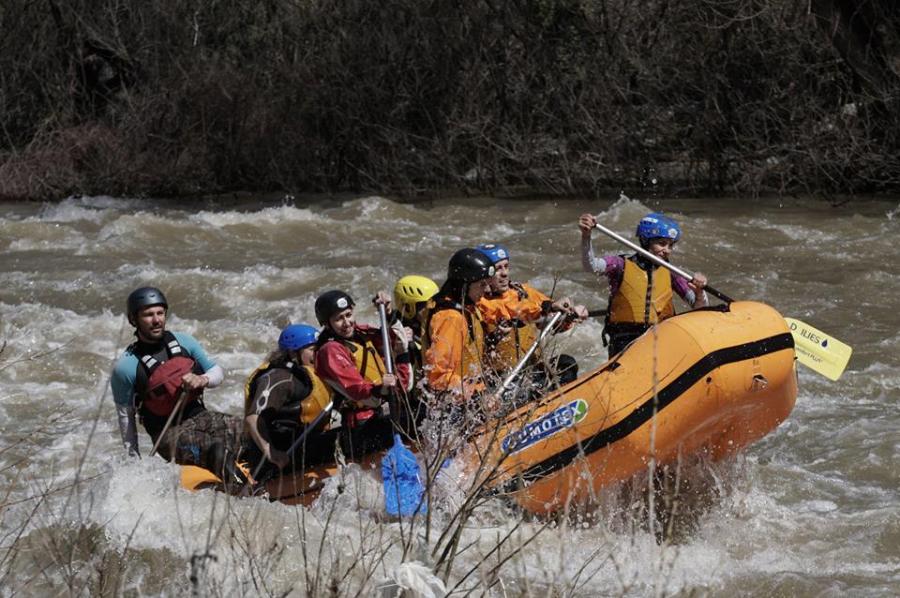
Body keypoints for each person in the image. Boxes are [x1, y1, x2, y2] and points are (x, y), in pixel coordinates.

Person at [110, 287, 244, 485]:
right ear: (134, 320)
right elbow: (125, 418)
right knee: (215, 450)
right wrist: (133, 463)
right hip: (168, 435)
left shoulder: (184, 342)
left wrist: (202, 379)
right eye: (148, 315)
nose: (156, 320)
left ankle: (273, 477)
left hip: (201, 417)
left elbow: (217, 372)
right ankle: (246, 494)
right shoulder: (125, 367)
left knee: (253, 431)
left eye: (160, 313)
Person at [579, 212, 708, 355]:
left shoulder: (672, 273)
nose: (667, 250)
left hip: (661, 338)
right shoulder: (620, 264)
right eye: (662, 243)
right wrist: (586, 236)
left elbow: (699, 309)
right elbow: (591, 266)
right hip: (624, 339)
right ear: (646, 241)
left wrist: (700, 292)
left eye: (671, 245)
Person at [314, 290, 411, 461]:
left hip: (387, 412)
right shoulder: (330, 350)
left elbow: (398, 342)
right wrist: (381, 388)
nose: (347, 323)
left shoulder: (361, 333)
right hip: (362, 426)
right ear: (327, 324)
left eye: (348, 315)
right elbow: (356, 389)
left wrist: (388, 312)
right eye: (339, 319)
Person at [475, 243, 587, 389]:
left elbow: (550, 323)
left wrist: (567, 317)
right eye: (497, 269)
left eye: (506, 266)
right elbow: (514, 312)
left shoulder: (522, 291)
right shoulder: (478, 303)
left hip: (530, 370)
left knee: (567, 364)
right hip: (501, 380)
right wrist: (546, 308)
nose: (505, 273)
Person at [243, 323, 337, 477]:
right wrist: (271, 452)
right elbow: (253, 419)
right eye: (313, 350)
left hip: (306, 444)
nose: (318, 354)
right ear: (293, 353)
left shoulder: (309, 375)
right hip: (283, 457)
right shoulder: (278, 378)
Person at [421, 248, 496, 418]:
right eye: (481, 285)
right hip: (457, 408)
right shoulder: (451, 318)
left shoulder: (460, 303)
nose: (487, 290)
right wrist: (477, 396)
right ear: (464, 284)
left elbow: (497, 309)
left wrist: (542, 308)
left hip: (469, 396)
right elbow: (438, 375)